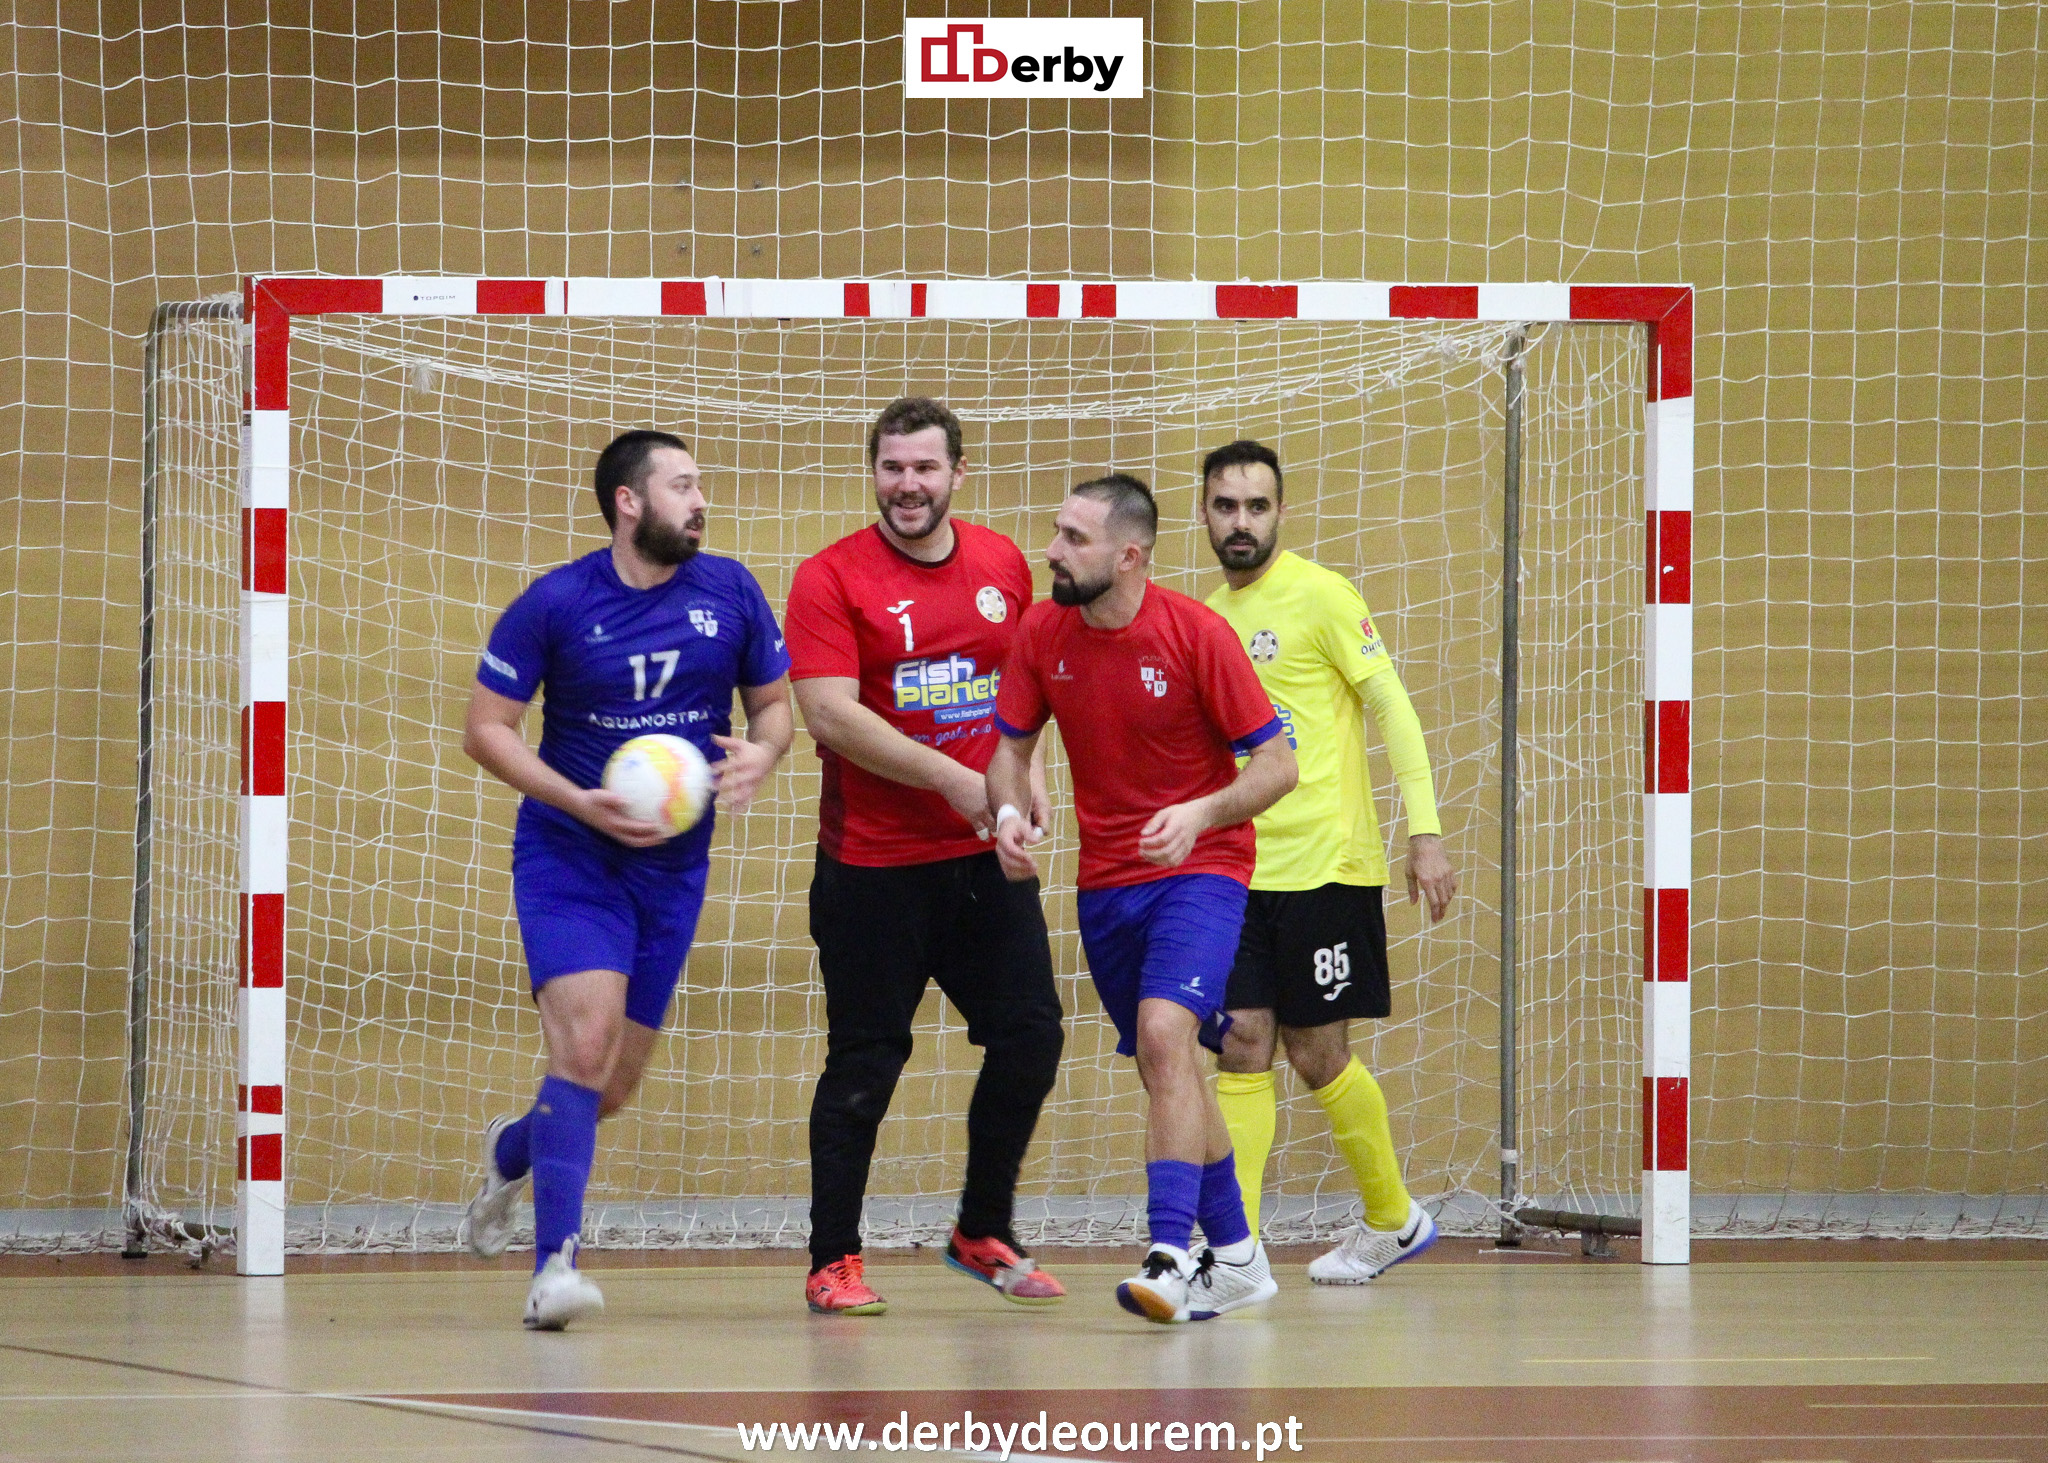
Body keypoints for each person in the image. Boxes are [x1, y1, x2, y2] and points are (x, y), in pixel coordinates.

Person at [458, 429, 793, 1329]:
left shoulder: (730, 590)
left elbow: (773, 706)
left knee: (607, 1085)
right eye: (682, 485)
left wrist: (762, 755)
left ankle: (514, 1150)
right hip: (573, 854)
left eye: (701, 484)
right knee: (585, 1043)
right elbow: (485, 729)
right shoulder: (558, 602)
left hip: (674, 868)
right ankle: (555, 1269)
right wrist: (578, 799)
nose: (700, 500)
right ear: (629, 501)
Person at [987, 473, 1298, 1324]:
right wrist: (1010, 813)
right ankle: (1238, 1259)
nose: (1050, 550)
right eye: (1056, 531)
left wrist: (1200, 812)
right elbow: (1008, 747)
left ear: (1129, 556)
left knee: (1166, 1035)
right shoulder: (1043, 630)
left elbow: (1278, 765)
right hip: (1107, 884)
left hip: (1205, 867)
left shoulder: (1195, 634)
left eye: (1072, 539)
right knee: (1170, 1068)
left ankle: (1169, 1253)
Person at [783, 397, 1067, 1317]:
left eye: (926, 469)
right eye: (893, 468)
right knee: (867, 1060)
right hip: (873, 868)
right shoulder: (830, 578)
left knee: (1031, 1034)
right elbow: (829, 712)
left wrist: (1025, 772)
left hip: (984, 861)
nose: (909, 485)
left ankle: (980, 1228)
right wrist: (956, 779)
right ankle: (835, 1257)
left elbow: (1019, 688)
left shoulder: (1000, 564)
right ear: (875, 473)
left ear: (956, 475)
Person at [1197, 439, 1458, 1283]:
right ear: (1204, 513)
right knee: (1239, 1046)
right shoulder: (1204, 618)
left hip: (1327, 870)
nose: (1242, 522)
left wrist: (1425, 831)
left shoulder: (1322, 596)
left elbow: (1393, 704)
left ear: (1281, 511)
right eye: (1226, 506)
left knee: (1315, 1054)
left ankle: (1392, 1217)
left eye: (1257, 506)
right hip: (1236, 874)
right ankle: (1233, 1254)